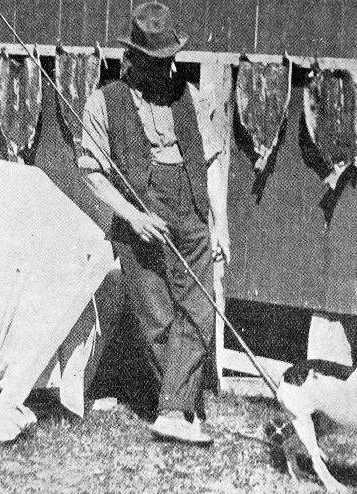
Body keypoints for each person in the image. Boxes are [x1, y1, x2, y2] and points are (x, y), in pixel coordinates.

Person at [77, 1, 230, 445]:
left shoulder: (193, 98)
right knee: (156, 318)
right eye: (151, 62)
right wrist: (133, 217)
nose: (162, 71)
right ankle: (177, 408)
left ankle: (173, 409)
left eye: (167, 61)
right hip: (138, 216)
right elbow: (92, 172)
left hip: (191, 211)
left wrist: (220, 226)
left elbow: (214, 162)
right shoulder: (103, 102)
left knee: (200, 309)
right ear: (131, 57)